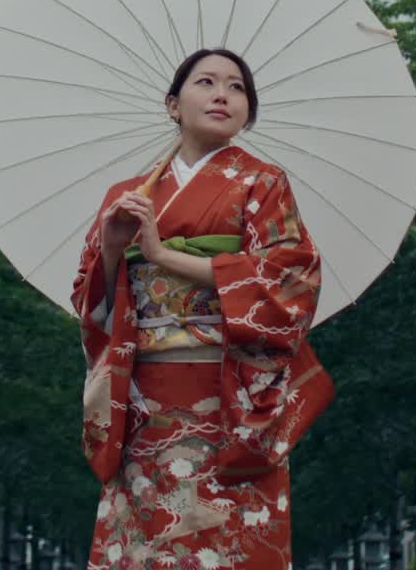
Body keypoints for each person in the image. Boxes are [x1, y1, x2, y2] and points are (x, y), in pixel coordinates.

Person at [72, 47, 334, 570]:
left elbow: (289, 283)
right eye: (207, 83)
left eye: (237, 87)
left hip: (231, 398)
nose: (223, 95)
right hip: (146, 400)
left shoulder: (264, 183)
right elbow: (92, 306)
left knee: (231, 538)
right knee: (148, 537)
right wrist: (109, 248)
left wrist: (162, 255)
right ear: (173, 104)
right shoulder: (126, 196)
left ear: (249, 112)